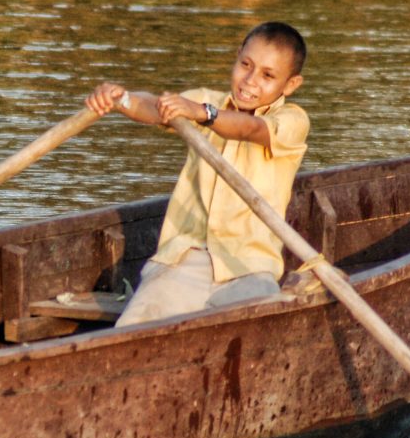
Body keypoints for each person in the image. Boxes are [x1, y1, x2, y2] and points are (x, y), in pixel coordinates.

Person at [85, 21, 309, 326]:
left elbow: (250, 128)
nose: (250, 81)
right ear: (237, 55)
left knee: (261, 329)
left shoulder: (292, 120)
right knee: (132, 331)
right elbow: (152, 106)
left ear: (290, 85)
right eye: (246, 65)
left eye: (268, 76)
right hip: (183, 259)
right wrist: (119, 99)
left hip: (248, 267)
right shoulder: (206, 100)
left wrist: (203, 114)